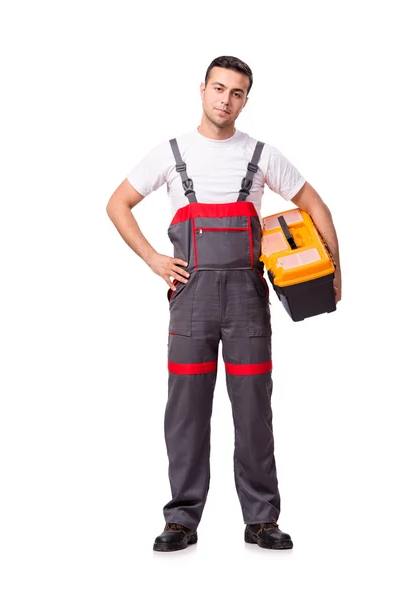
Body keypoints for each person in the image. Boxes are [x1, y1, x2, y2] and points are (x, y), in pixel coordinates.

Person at [106, 55, 342, 553]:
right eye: (218, 89)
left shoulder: (261, 154)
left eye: (236, 93)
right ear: (202, 89)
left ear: (245, 99)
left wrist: (333, 268)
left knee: (253, 410)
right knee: (186, 410)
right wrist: (152, 258)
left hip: (246, 301)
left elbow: (315, 205)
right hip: (190, 299)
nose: (225, 100)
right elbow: (117, 203)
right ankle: (181, 520)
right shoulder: (171, 153)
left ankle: (261, 520)